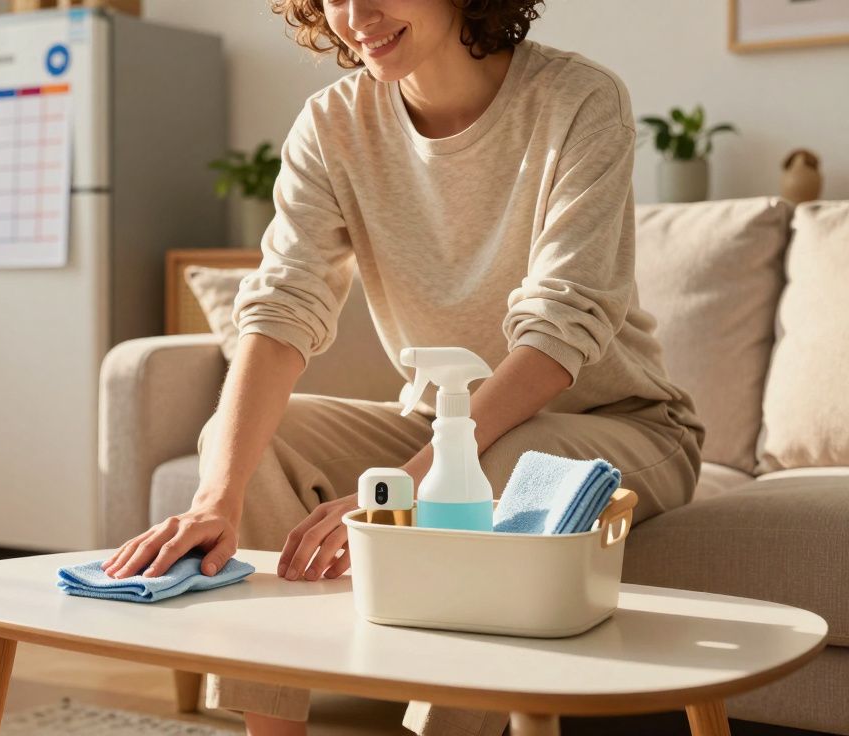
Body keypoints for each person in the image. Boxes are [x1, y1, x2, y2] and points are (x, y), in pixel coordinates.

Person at [104, 0, 705, 733]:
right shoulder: (332, 125)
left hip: (624, 427)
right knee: (261, 443)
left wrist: (416, 483)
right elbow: (282, 307)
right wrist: (215, 499)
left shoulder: (578, 100)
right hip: (440, 421)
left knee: (500, 465)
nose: (357, 15)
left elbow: (560, 329)